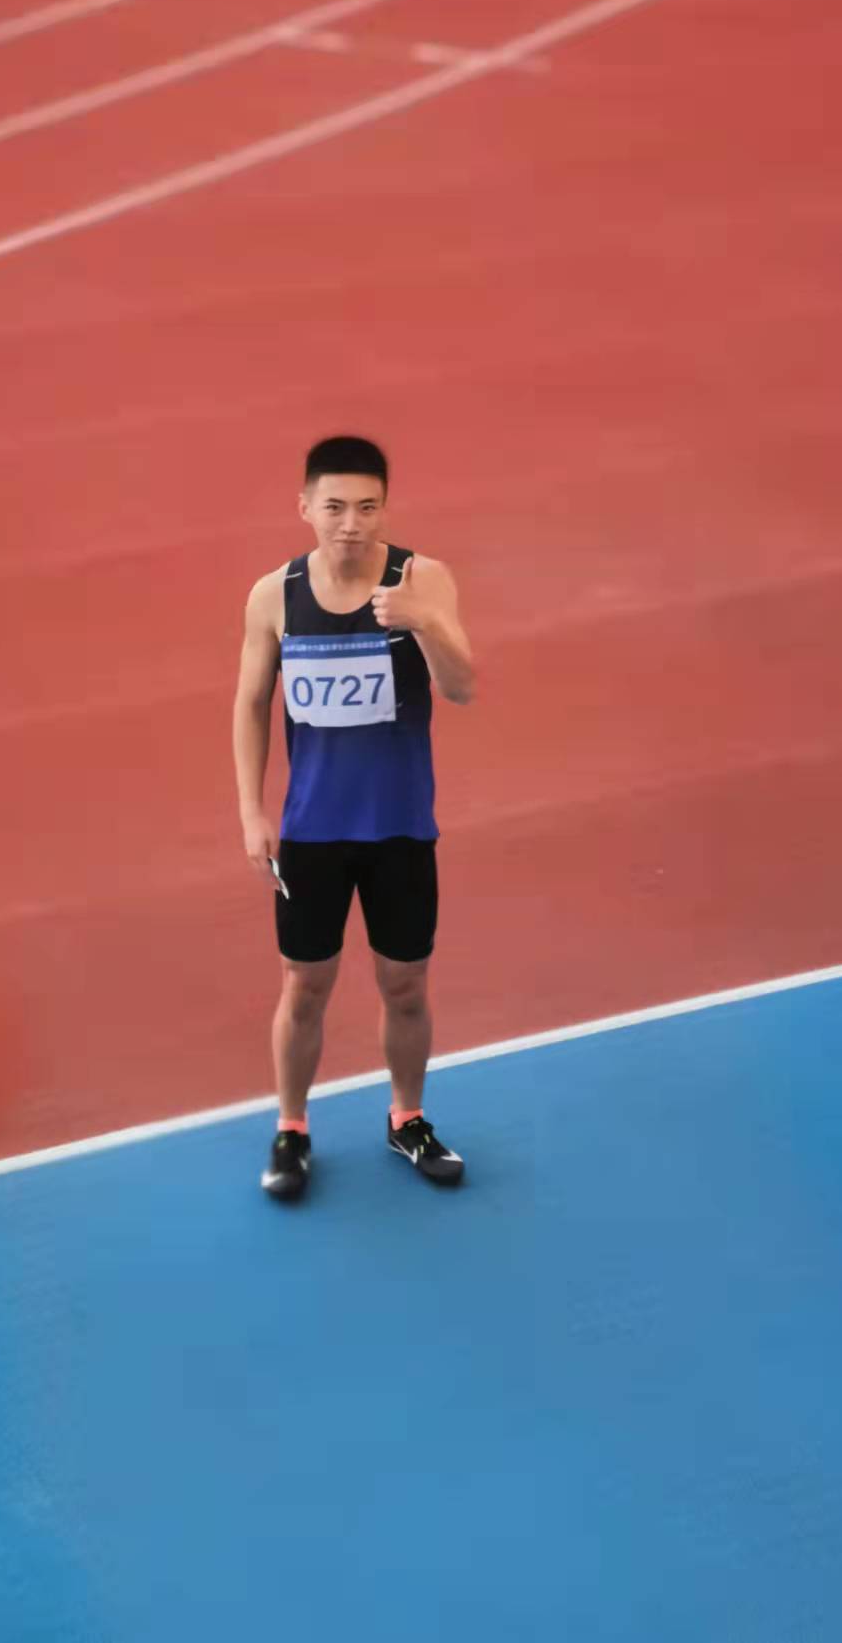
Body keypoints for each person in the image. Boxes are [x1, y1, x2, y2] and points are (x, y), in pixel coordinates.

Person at [232, 435, 476, 1200]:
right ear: (304, 507)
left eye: (367, 507)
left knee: (404, 985)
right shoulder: (274, 595)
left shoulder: (421, 579)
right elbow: (250, 703)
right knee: (304, 987)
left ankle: (407, 1118)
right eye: (334, 507)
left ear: (384, 509)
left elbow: (462, 687)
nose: (350, 523)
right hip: (311, 833)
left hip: (400, 828)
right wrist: (250, 812)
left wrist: (423, 621)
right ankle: (291, 1128)